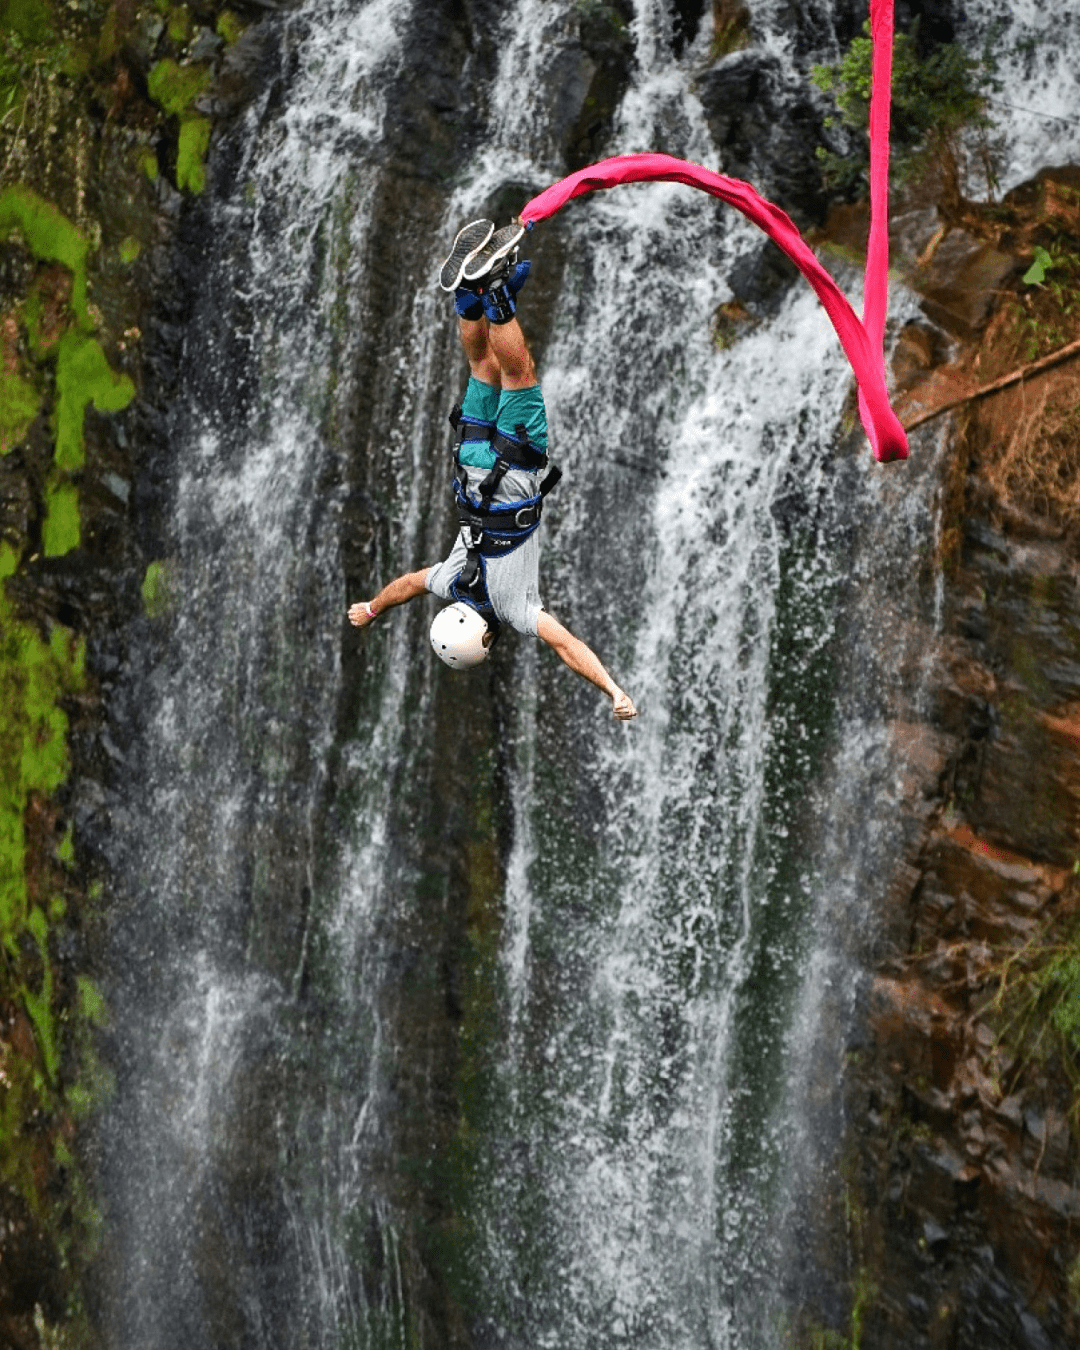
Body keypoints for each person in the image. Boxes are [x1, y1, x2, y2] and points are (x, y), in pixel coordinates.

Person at [347, 219, 637, 721]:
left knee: (517, 371)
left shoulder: (515, 612)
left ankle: (495, 290)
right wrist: (371, 609)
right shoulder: (446, 582)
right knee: (481, 365)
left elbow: (568, 648)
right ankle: (469, 296)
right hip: (470, 465)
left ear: (483, 639)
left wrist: (613, 689)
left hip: (517, 463)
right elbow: (406, 586)